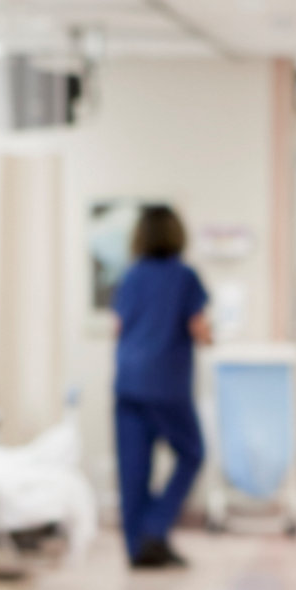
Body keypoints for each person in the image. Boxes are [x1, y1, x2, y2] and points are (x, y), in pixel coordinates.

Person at [113, 205, 211, 570]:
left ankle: (137, 548)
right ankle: (155, 528)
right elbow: (198, 328)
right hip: (166, 383)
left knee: (133, 469)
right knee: (192, 452)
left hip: (128, 382)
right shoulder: (185, 277)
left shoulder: (131, 276)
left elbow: (118, 327)